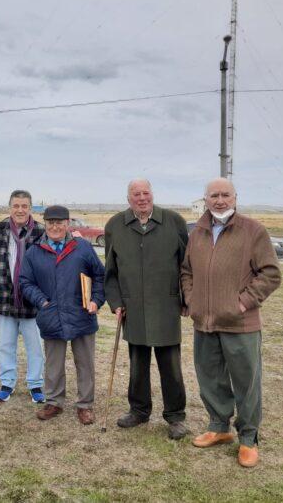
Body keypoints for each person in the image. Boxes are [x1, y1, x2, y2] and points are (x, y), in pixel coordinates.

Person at [181, 177, 281, 468]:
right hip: (205, 323)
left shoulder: (253, 231)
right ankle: (219, 427)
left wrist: (244, 302)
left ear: (235, 198)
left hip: (240, 324)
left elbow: (271, 274)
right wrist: (192, 299)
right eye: (214, 195)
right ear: (206, 199)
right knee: (210, 379)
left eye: (225, 195)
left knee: (246, 383)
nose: (220, 200)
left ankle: (248, 439)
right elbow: (186, 271)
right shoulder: (197, 232)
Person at [104, 179, 189, 440]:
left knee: (171, 366)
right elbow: (111, 271)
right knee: (137, 365)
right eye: (136, 194)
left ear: (152, 195)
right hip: (134, 307)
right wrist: (116, 302)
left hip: (166, 305)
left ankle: (175, 416)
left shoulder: (174, 221)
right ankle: (139, 410)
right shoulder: (115, 225)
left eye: (146, 193)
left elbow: (186, 266)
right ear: (128, 198)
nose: (142, 198)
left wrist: (186, 300)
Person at [19, 205, 105, 425]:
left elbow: (99, 275)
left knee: (85, 363)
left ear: (68, 224)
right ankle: (54, 402)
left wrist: (96, 300)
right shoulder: (34, 251)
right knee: (54, 364)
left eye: (60, 222)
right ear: (45, 224)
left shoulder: (83, 248)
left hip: (82, 314)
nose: (55, 227)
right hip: (51, 315)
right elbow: (25, 282)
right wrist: (42, 301)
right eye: (51, 222)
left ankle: (85, 405)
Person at [0, 189, 46, 404]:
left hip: (33, 301)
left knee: (35, 346)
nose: (20, 210)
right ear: (10, 207)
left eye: (24, 206)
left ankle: (35, 384)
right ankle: (7, 382)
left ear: (30, 208)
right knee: (5, 345)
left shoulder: (41, 232)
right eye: (16, 206)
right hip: (5, 298)